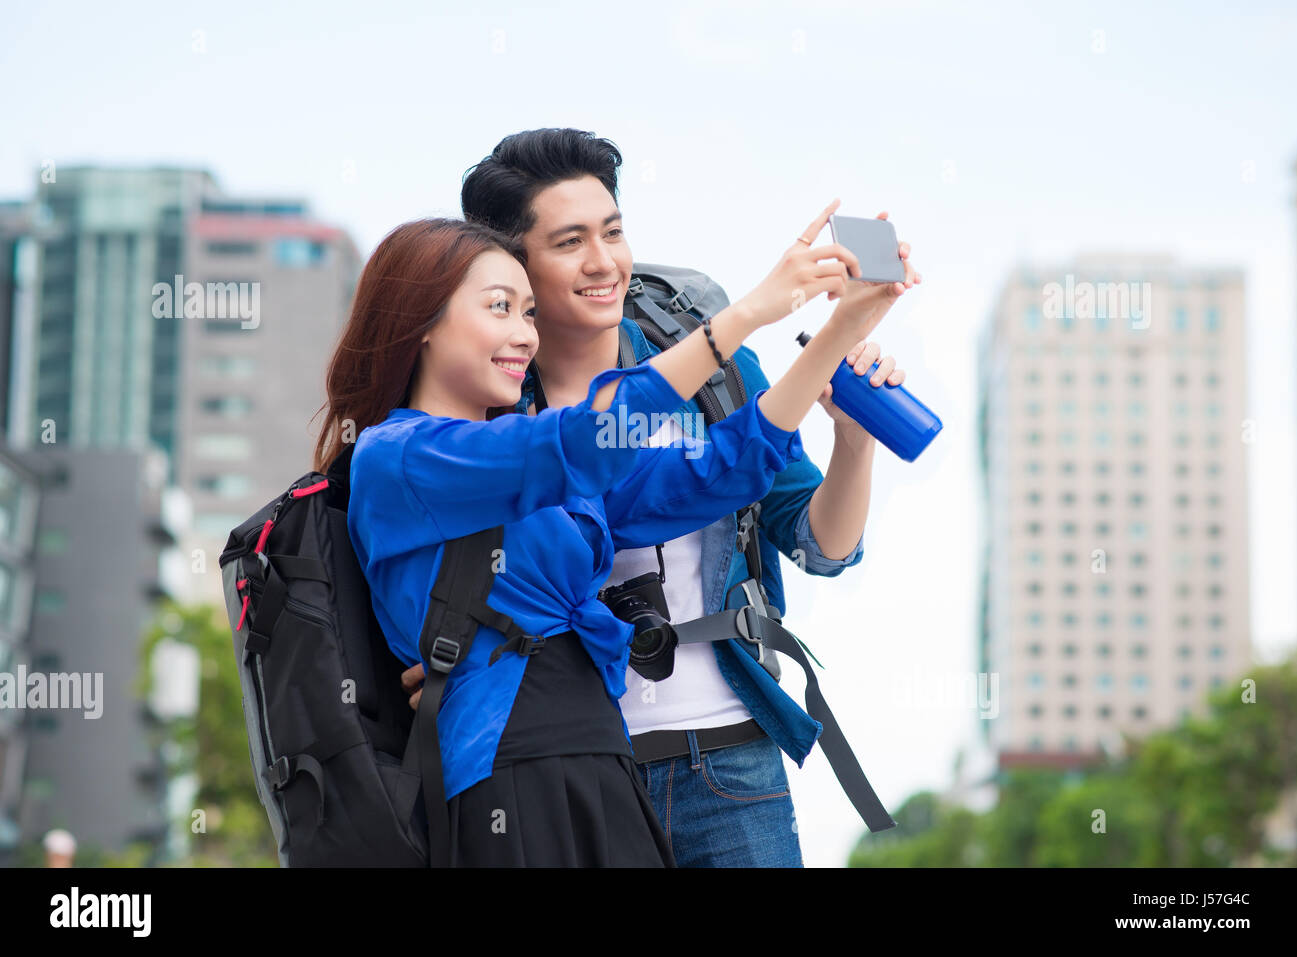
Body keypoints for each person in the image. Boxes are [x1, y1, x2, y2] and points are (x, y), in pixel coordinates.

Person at [318, 209, 909, 866]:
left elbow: (716, 470)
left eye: (528, 314)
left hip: (602, 758)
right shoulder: (397, 456)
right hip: (508, 777)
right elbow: (581, 441)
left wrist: (841, 329)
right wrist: (750, 312)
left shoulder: (543, 471)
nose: (524, 335)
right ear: (422, 323)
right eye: (500, 308)